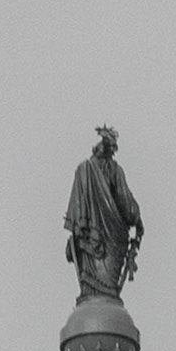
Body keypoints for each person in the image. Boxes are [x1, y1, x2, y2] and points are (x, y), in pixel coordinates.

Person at [64, 126, 142, 301]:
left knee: (94, 287)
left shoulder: (83, 169)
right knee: (107, 289)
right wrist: (138, 220)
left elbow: (76, 216)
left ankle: (92, 296)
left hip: (89, 242)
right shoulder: (113, 170)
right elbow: (126, 204)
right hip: (111, 240)